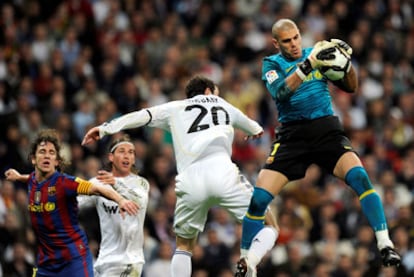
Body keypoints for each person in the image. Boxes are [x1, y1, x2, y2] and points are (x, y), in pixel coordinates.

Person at [237, 18, 401, 276]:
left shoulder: (318, 54)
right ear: (275, 43)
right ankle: (247, 262)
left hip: (326, 130)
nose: (294, 44)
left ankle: (385, 243)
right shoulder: (271, 64)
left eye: (296, 38)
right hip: (292, 136)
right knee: (258, 200)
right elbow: (281, 92)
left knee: (360, 177)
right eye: (287, 40)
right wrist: (308, 64)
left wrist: (346, 64)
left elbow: (352, 87)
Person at [82, 76, 278, 277]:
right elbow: (255, 127)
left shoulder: (175, 107)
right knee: (270, 225)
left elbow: (142, 115)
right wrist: (254, 131)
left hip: (190, 181)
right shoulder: (223, 104)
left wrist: (106, 128)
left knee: (184, 245)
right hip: (224, 174)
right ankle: (250, 261)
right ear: (209, 91)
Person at [4, 129, 139, 277]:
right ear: (33, 159)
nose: (47, 155)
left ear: (56, 161)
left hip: (74, 260)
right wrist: (18, 177)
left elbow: (96, 188)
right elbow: (30, 177)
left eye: (51, 152)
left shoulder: (65, 183)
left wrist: (120, 200)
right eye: (42, 151)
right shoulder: (32, 180)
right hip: (46, 262)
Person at [78, 134, 150, 277]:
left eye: (131, 153)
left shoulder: (140, 183)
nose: (127, 156)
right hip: (104, 260)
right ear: (111, 157)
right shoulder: (98, 182)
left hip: (129, 260)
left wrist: (116, 184)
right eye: (122, 151)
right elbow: (76, 204)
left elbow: (140, 201)